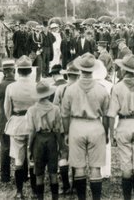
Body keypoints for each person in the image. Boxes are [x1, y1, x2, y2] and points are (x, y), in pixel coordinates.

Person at [61, 53, 110, 200]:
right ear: (94, 69)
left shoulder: (70, 89)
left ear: (80, 69)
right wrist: (106, 133)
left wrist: (67, 133)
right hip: (96, 126)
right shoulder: (102, 89)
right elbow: (107, 116)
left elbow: (64, 115)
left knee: (79, 167)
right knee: (96, 168)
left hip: (76, 126)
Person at [108, 54, 134, 200]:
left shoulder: (117, 87)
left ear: (123, 69)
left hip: (124, 124)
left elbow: (112, 114)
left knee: (126, 164)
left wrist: (111, 134)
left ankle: (127, 197)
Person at [4, 56, 38, 199]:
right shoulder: (36, 86)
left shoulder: (11, 87)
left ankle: (19, 191)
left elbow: (7, 109)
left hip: (17, 123)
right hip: (33, 124)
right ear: (30, 71)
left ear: (18, 71)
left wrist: (13, 120)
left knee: (18, 159)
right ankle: (36, 191)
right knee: (32, 159)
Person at [27, 81, 62, 200]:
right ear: (48, 94)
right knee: (53, 172)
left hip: (38, 140)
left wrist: (29, 147)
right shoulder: (55, 108)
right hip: (51, 139)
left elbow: (31, 131)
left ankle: (40, 197)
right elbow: (58, 129)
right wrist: (61, 146)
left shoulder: (32, 110)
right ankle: (55, 198)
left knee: (39, 173)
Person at [53, 61, 80, 195]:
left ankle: (65, 185)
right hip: (77, 125)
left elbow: (55, 108)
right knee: (76, 154)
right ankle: (75, 185)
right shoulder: (81, 89)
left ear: (67, 75)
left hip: (63, 125)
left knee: (63, 153)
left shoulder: (60, 89)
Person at [0, 59, 16, 183]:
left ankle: (5, 175)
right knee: (20, 146)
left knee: (4, 148)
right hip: (17, 118)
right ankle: (23, 174)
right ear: (13, 70)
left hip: (3, 118)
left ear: (4, 71)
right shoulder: (17, 84)